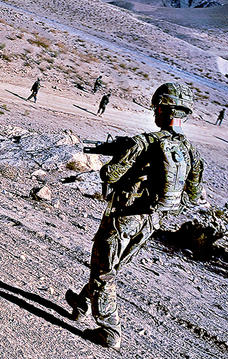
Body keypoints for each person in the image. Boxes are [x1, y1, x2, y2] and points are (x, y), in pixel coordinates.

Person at [66, 82, 204, 349]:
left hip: (124, 217)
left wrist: (123, 164)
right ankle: (83, 302)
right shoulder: (190, 151)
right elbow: (193, 196)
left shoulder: (144, 142)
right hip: (151, 221)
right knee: (112, 265)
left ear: (161, 110)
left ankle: (110, 330)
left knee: (103, 269)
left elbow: (110, 175)